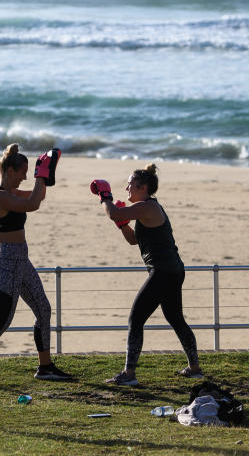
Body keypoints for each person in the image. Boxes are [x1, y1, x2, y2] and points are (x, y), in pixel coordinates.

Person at [0, 143, 73, 387]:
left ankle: (45, 367)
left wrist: (45, 172)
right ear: (9, 171)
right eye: (22, 172)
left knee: (43, 310)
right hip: (8, 262)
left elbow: (38, 196)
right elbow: (33, 204)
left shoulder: (11, 194)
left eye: (27, 172)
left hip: (22, 260)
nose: (24, 177)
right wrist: (40, 174)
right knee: (3, 320)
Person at [90, 163, 202, 386]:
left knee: (136, 319)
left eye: (130, 184)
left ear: (143, 187)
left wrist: (105, 195)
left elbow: (113, 212)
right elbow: (134, 240)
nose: (127, 189)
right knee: (176, 319)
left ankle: (129, 374)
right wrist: (122, 225)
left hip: (163, 272)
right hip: (172, 270)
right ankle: (194, 368)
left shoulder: (147, 207)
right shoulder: (145, 209)